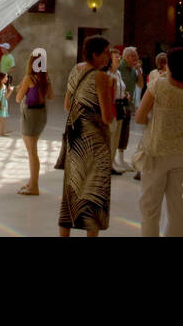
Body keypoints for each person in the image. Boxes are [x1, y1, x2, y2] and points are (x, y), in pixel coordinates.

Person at [135, 47, 183, 237]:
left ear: (168, 65)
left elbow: (139, 117)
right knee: (178, 209)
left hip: (156, 152)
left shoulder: (159, 86)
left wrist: (159, 122)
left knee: (150, 208)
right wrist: (182, 128)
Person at [59, 35, 115, 236]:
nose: (109, 57)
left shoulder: (76, 70)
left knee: (71, 192)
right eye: (107, 53)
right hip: (95, 142)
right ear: (96, 54)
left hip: (75, 137)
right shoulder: (101, 77)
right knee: (94, 193)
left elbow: (67, 104)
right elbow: (108, 117)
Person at [14, 47, 53, 196]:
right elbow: (51, 96)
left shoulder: (29, 78)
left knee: (32, 152)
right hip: (41, 114)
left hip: (30, 115)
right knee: (33, 150)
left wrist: (21, 90)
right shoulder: (45, 78)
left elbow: (18, 98)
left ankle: (34, 186)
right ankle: (32, 181)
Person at [116, 47, 143, 171]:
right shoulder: (119, 68)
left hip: (128, 105)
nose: (137, 59)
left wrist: (138, 71)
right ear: (127, 57)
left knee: (125, 132)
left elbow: (140, 85)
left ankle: (120, 158)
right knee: (116, 132)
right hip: (118, 104)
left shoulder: (133, 70)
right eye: (134, 57)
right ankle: (113, 159)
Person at [106, 47, 128, 174]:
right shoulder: (107, 74)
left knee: (116, 136)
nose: (119, 59)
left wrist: (125, 95)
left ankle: (112, 160)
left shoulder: (118, 73)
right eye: (116, 57)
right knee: (111, 134)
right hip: (112, 107)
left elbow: (121, 89)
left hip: (120, 106)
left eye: (120, 56)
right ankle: (108, 163)